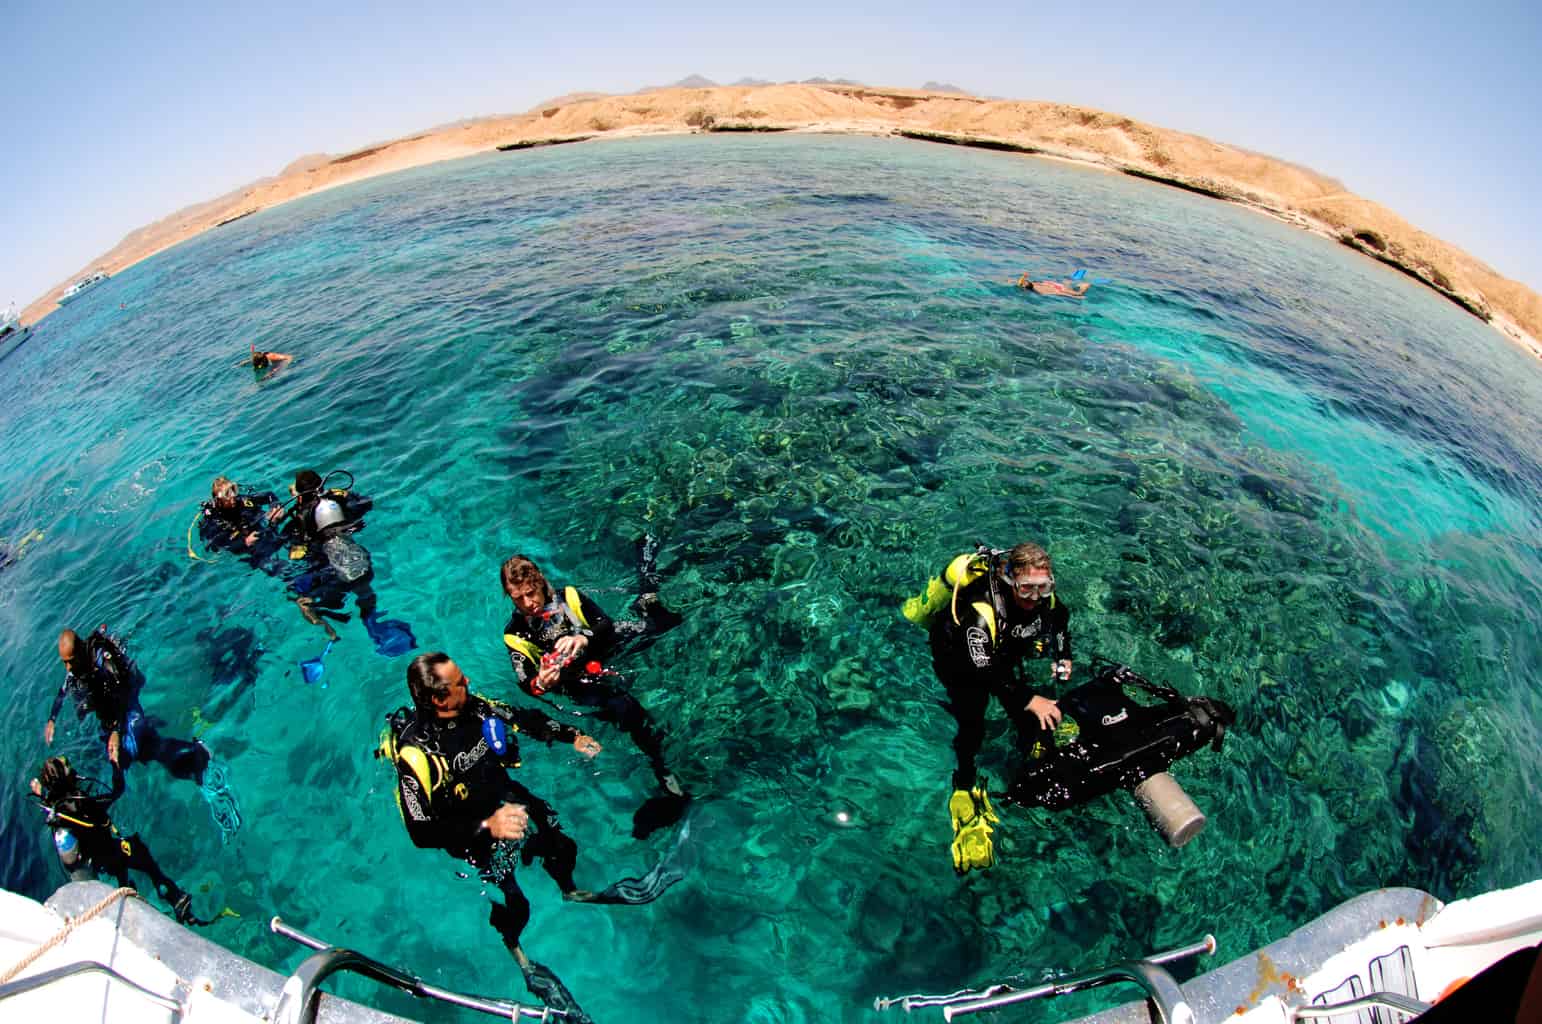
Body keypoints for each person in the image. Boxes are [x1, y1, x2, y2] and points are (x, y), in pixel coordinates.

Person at [387, 652, 684, 1021]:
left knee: (560, 844)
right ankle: (522, 958)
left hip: (504, 795)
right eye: (459, 682)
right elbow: (421, 831)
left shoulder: (475, 708)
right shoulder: (417, 755)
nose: (469, 683)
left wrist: (569, 735)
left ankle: (572, 891)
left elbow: (519, 717)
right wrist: (487, 826)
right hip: (470, 830)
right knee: (512, 899)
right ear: (438, 699)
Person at [500, 541, 687, 838]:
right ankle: (662, 768)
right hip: (575, 681)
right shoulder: (516, 634)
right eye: (518, 598)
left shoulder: (569, 597)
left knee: (668, 621)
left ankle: (646, 590)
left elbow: (604, 625)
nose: (528, 603)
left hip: (603, 647)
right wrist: (542, 682)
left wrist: (583, 638)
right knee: (626, 708)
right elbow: (526, 682)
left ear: (540, 582)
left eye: (531, 593)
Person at [927, 542, 1072, 873]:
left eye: (1043, 587)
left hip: (1001, 652)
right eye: (1027, 589)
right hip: (960, 661)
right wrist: (1028, 699)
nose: (1035, 597)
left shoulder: (1044, 600)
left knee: (1030, 714)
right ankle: (963, 784)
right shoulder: (981, 611)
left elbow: (1061, 619)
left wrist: (1064, 655)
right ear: (1010, 581)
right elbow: (981, 669)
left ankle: (1031, 753)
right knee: (972, 725)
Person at [29, 756, 215, 925]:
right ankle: (175, 899)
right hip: (112, 851)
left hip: (99, 861)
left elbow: (58, 812)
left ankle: (128, 894)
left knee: (122, 875)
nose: (73, 767)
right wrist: (116, 766)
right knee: (144, 857)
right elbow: (116, 792)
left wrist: (42, 794)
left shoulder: (58, 812)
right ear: (63, 779)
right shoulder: (81, 804)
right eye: (68, 766)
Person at [45, 627, 209, 796]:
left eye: (70, 661)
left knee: (127, 756)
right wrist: (52, 719)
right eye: (64, 662)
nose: (67, 667)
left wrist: (117, 731)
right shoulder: (76, 666)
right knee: (147, 751)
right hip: (114, 716)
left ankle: (195, 753)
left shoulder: (103, 659)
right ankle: (193, 756)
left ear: (79, 650)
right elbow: (63, 690)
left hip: (128, 708)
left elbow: (123, 691)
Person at [280, 468, 415, 655]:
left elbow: (293, 548)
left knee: (298, 594)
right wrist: (346, 496)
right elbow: (366, 504)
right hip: (357, 558)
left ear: (300, 495)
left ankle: (327, 628)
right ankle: (373, 626)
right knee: (364, 593)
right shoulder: (336, 502)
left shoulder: (300, 517)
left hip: (332, 568)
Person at [196, 475, 286, 569]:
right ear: (219, 501)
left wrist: (275, 506)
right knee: (273, 566)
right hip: (246, 546)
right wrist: (245, 542)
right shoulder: (214, 520)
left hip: (261, 531)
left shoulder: (242, 501)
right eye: (227, 494)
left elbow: (269, 495)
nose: (233, 496)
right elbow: (218, 545)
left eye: (233, 490)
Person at [1017, 274, 1091, 298]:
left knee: (1079, 294)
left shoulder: (1039, 291)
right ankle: (1069, 282)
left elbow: (1057, 293)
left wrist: (1073, 297)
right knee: (1067, 288)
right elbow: (1021, 282)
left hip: (1058, 289)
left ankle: (1085, 286)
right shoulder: (1034, 283)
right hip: (1055, 285)